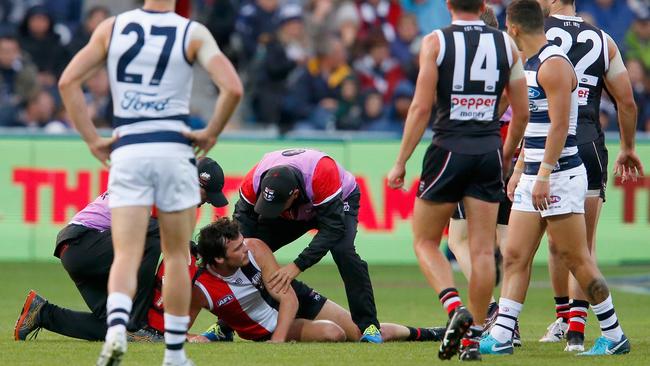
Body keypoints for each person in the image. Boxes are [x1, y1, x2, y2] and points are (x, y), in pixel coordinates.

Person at [57, 0, 243, 364]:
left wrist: (93, 139)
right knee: (176, 255)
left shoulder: (112, 28)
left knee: (126, 254)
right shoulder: (191, 31)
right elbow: (233, 88)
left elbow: (67, 81)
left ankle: (114, 331)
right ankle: (174, 353)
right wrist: (210, 133)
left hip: (130, 150)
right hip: (173, 151)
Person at [480, 0, 630, 357]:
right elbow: (534, 123)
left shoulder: (554, 65)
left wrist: (544, 173)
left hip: (559, 175)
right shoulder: (529, 65)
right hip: (533, 173)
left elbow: (562, 127)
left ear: (514, 29)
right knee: (514, 254)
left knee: (576, 258)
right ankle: (501, 335)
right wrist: (519, 170)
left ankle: (613, 332)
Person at [387, 0, 529, 361]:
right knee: (484, 251)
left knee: (425, 242)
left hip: (449, 146)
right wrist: (505, 152)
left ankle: (455, 310)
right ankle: (473, 339)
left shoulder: (435, 41)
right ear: (483, 5)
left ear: (448, 5)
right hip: (488, 151)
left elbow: (420, 107)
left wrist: (401, 161)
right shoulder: (507, 44)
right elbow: (522, 111)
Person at [13, 158, 229, 342]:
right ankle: (139, 323)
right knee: (154, 235)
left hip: (81, 249)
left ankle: (41, 313)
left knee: (115, 327)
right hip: (83, 244)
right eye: (206, 195)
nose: (206, 202)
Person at [537, 0, 644, 351]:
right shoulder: (604, 39)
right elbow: (627, 103)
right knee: (582, 245)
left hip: (547, 143)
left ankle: (565, 321)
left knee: (555, 244)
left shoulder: (537, 33)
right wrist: (628, 146)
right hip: (588, 141)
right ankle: (576, 334)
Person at [165, 218, 445, 343]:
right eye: (237, 249)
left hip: (292, 301)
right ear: (218, 260)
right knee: (332, 334)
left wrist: (278, 342)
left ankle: (433, 333)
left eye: (242, 242)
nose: (245, 249)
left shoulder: (256, 248)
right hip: (267, 327)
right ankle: (222, 330)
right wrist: (194, 339)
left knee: (366, 331)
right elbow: (179, 329)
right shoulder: (200, 289)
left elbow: (287, 297)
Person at [233, 148, 382, 343]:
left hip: (337, 203)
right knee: (244, 252)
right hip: (296, 209)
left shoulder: (322, 172)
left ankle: (368, 325)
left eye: (276, 206)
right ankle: (225, 324)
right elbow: (242, 223)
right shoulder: (253, 179)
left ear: (294, 195)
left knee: (343, 251)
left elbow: (333, 228)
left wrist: (297, 266)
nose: (270, 211)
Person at [445, 4, 520, 346]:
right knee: (506, 242)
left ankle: (490, 312)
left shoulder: (470, 52)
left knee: (460, 241)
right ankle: (508, 323)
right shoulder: (511, 52)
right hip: (513, 153)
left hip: (478, 150)